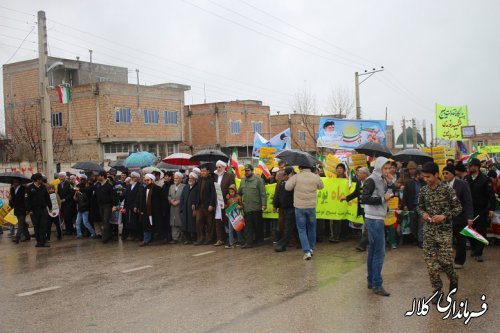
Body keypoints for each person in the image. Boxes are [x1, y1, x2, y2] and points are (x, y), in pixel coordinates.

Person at [417, 162, 462, 303]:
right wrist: (423, 214)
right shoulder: (424, 190)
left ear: (437, 175)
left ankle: (453, 280)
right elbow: (419, 207)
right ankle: (437, 291)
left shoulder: (447, 190)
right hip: (429, 230)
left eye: (428, 176)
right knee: (431, 264)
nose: (426, 179)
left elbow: (458, 208)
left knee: (446, 262)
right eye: (424, 177)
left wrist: (444, 216)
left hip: (444, 231)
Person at [361, 157, 394, 296]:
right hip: (373, 219)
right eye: (385, 168)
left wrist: (390, 183)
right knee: (379, 253)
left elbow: (389, 195)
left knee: (373, 251)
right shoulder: (372, 179)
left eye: (388, 168)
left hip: (377, 217)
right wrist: (382, 199)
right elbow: (365, 198)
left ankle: (371, 281)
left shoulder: (381, 179)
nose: (387, 171)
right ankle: (377, 284)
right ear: (379, 167)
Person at [285, 165, 324, 260]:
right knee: (312, 228)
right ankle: (311, 249)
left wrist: (290, 178)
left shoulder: (296, 176)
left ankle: (307, 251)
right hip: (311, 207)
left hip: (300, 206)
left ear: (300, 168)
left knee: (301, 229)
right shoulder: (315, 176)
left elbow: (287, 188)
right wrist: (317, 175)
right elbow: (321, 186)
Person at [464, 158, 496, 262]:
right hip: (469, 209)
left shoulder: (485, 179)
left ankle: (478, 253)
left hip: (481, 210)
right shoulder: (466, 179)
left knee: (481, 231)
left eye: (471, 165)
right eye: (469, 165)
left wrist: (491, 209)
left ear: (477, 167)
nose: (469, 167)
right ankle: (474, 247)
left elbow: (491, 196)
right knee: (468, 231)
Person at [442, 165, 474, 269]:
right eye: (443, 173)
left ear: (453, 174)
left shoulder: (463, 184)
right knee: (445, 241)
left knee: (460, 241)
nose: (445, 175)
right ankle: (445, 263)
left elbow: (468, 202)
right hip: (446, 219)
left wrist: (470, 217)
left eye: (447, 173)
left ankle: (459, 261)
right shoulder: (442, 185)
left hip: (460, 218)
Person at [341, 167, 370, 251]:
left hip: (369, 208)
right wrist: (346, 198)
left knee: (368, 227)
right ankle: (368, 243)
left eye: (360, 173)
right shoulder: (358, 182)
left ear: (365, 174)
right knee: (367, 226)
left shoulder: (370, 182)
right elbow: (355, 194)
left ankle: (362, 245)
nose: (358, 174)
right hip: (362, 207)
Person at [238, 164, 267, 249]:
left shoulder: (259, 180)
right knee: (248, 226)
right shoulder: (243, 181)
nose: (246, 173)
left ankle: (260, 240)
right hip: (247, 207)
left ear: (252, 171)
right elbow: (239, 193)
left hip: (256, 207)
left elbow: (263, 194)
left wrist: (264, 204)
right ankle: (249, 242)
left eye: (248, 171)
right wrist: (239, 202)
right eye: (245, 171)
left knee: (258, 225)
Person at [402, 162, 425, 248]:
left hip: (422, 207)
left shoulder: (424, 183)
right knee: (413, 224)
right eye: (422, 175)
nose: (423, 177)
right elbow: (405, 195)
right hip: (412, 206)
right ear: (417, 175)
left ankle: (420, 240)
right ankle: (415, 239)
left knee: (421, 224)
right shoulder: (408, 183)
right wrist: (404, 205)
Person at [25, 173, 52, 247]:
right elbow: (27, 200)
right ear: (37, 180)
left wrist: (50, 208)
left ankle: (43, 242)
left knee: (43, 226)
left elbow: (47, 198)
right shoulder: (29, 188)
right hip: (34, 211)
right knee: (36, 226)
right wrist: (29, 210)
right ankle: (39, 241)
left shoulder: (43, 187)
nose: (42, 180)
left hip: (43, 209)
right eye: (41, 179)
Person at [273, 166, 297, 252]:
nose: (285, 176)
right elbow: (277, 195)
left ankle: (282, 245)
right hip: (282, 209)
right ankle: (297, 242)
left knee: (288, 227)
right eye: (284, 174)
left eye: (287, 174)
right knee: (283, 226)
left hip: (292, 208)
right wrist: (275, 205)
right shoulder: (281, 183)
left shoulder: (295, 183)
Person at [192, 165, 217, 245]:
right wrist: (194, 203)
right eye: (201, 171)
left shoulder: (211, 180)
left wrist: (211, 204)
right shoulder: (199, 180)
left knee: (210, 223)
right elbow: (195, 192)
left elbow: (213, 194)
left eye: (204, 171)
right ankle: (200, 238)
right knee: (198, 222)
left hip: (208, 206)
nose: (202, 173)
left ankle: (210, 239)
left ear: (208, 172)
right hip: (199, 205)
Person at [213, 160, 235, 246]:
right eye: (217, 167)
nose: (218, 169)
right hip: (217, 202)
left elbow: (232, 187)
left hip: (226, 201)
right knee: (218, 220)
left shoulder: (229, 176)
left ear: (224, 167)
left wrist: (229, 195)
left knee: (226, 220)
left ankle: (229, 238)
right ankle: (220, 239)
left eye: (220, 167)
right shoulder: (215, 177)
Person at [137, 174, 162, 246]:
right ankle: (146, 240)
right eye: (145, 180)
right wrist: (141, 209)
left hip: (155, 211)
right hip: (146, 211)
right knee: (146, 225)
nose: (146, 182)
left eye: (148, 180)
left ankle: (154, 239)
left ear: (152, 180)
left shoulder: (157, 189)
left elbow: (161, 201)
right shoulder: (144, 189)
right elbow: (142, 200)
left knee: (154, 225)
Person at [94, 170, 117, 244]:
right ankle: (109, 234)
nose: (97, 177)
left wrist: (114, 205)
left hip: (108, 205)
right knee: (104, 221)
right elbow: (93, 192)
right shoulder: (98, 185)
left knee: (106, 221)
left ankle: (105, 237)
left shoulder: (109, 185)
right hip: (100, 205)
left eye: (99, 176)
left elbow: (114, 196)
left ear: (102, 176)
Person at [74, 175, 97, 239]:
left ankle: (93, 233)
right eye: (81, 179)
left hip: (85, 208)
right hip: (80, 208)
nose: (82, 181)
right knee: (77, 222)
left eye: (83, 180)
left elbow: (88, 201)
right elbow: (75, 198)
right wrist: (76, 194)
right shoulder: (79, 189)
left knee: (85, 222)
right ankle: (79, 234)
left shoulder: (88, 190)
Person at [330, 163, 348, 243]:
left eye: (341, 168)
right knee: (335, 219)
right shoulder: (334, 179)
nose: (339, 170)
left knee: (344, 219)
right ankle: (335, 236)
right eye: (338, 168)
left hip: (344, 201)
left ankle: (344, 236)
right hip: (335, 202)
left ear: (344, 170)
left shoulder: (347, 179)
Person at [122, 172, 142, 241]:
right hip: (128, 206)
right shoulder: (128, 186)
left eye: (134, 177)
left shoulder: (140, 186)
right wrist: (124, 207)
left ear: (137, 178)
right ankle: (132, 235)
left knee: (136, 221)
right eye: (131, 177)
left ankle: (138, 236)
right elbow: (126, 197)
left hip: (135, 206)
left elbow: (139, 197)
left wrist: (137, 206)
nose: (132, 178)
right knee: (129, 221)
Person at [8, 179, 29, 243]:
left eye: (16, 182)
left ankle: (17, 237)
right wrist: (10, 199)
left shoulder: (24, 188)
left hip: (22, 209)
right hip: (16, 209)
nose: (14, 183)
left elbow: (26, 199)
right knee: (23, 223)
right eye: (13, 182)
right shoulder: (12, 189)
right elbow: (13, 200)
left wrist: (27, 209)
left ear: (19, 182)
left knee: (20, 223)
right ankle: (27, 236)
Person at [180, 172, 198, 244]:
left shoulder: (197, 187)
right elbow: (182, 197)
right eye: (189, 178)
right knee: (185, 224)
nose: (190, 180)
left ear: (195, 179)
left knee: (192, 224)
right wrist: (181, 207)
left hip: (193, 209)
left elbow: (198, 198)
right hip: (185, 209)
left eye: (192, 178)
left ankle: (194, 238)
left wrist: (195, 207)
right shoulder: (186, 187)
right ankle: (188, 239)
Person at [225, 184, 244, 249]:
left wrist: (239, 206)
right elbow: (227, 206)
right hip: (230, 216)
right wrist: (226, 210)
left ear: (235, 191)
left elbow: (242, 206)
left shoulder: (238, 197)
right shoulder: (228, 198)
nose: (231, 193)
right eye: (230, 192)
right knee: (230, 229)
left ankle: (240, 241)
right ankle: (231, 243)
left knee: (238, 228)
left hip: (237, 215)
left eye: (232, 192)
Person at [168, 172, 185, 243]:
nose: (175, 179)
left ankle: (182, 237)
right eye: (175, 178)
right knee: (173, 223)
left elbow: (184, 196)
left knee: (180, 222)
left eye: (177, 178)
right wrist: (171, 201)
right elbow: (169, 196)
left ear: (181, 179)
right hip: (173, 207)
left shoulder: (184, 186)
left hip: (180, 207)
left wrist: (178, 201)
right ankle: (175, 238)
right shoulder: (171, 186)